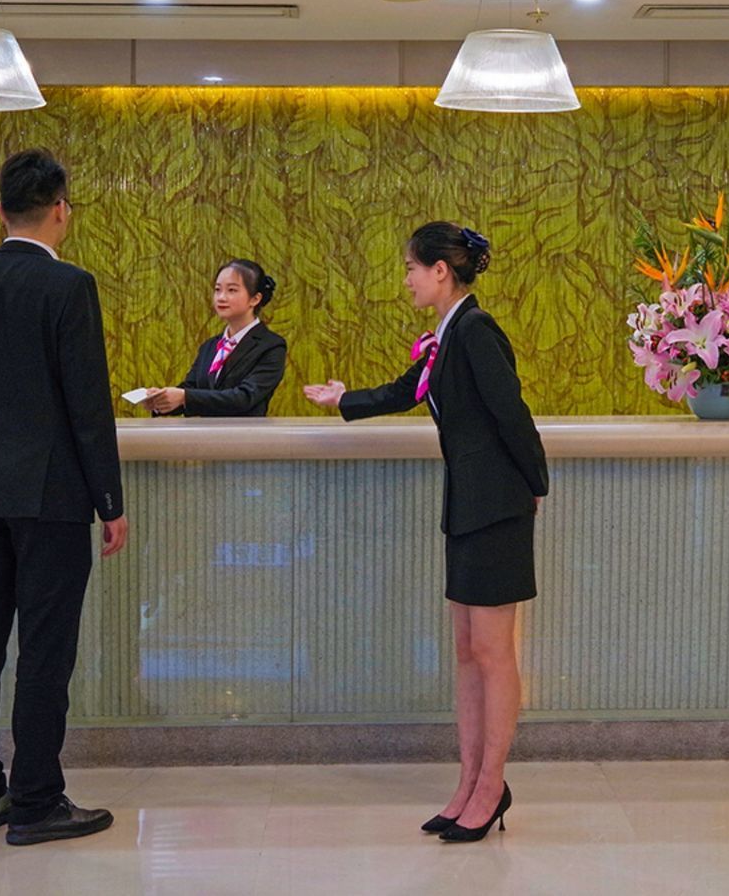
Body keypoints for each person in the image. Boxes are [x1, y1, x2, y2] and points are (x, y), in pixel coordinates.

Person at [304, 221, 547, 844]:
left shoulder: (476, 331)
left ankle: (491, 786)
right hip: (467, 506)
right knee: (466, 651)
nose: (407, 279)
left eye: (412, 268)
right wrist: (344, 400)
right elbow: (407, 389)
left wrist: (535, 486)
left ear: (441, 270)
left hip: (496, 507)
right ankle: (468, 783)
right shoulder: (447, 337)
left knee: (492, 652)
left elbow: (512, 413)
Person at [0, 149, 129, 847]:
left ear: (0, 212)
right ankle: (38, 798)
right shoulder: (69, 286)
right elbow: (87, 404)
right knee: (44, 649)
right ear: (61, 211)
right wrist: (110, 501)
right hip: (52, 495)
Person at [143, 259, 288, 418]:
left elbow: (244, 397)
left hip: (244, 432)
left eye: (232, 290)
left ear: (255, 299)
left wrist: (184, 396)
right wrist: (161, 400)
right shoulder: (210, 346)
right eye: (218, 290)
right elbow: (192, 389)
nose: (221, 297)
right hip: (204, 432)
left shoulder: (271, 346)